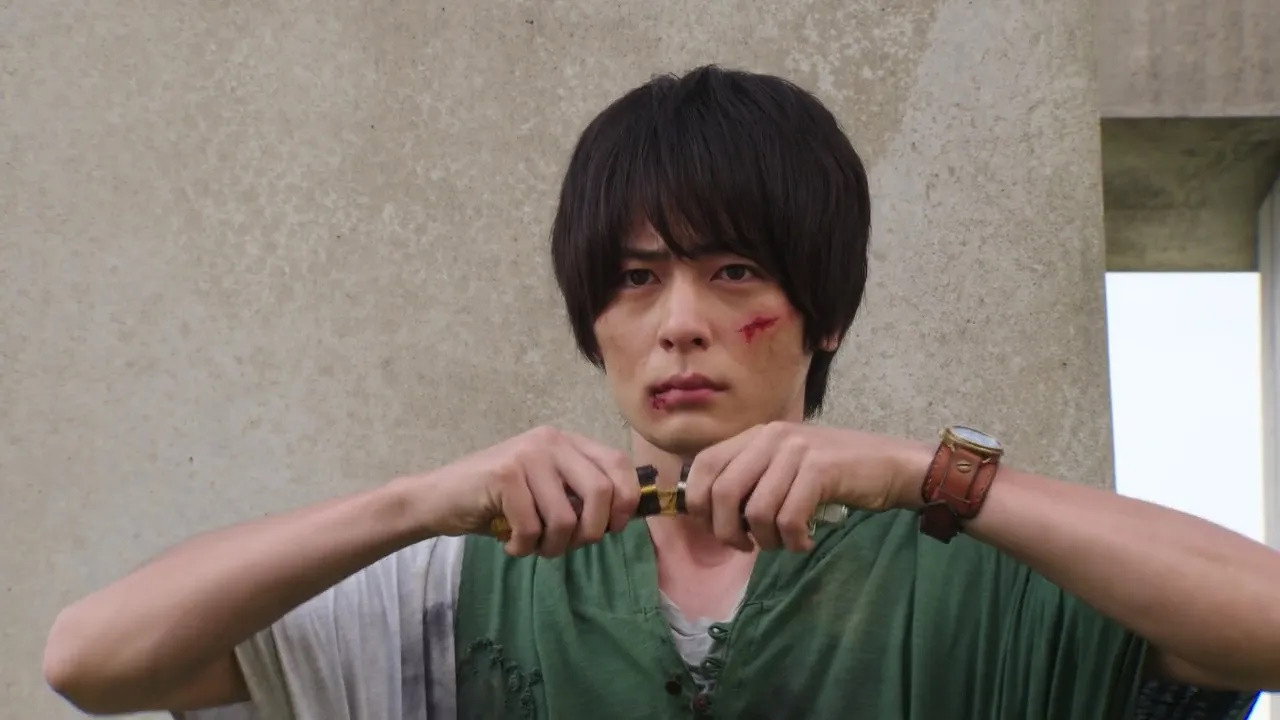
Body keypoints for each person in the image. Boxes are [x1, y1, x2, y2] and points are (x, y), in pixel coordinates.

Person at [43, 66, 1275, 720]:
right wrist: (418, 501)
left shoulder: (987, 577)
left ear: (825, 310)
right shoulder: (456, 591)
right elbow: (92, 660)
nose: (679, 320)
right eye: (634, 278)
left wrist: (925, 474)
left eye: (732, 271)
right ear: (591, 319)